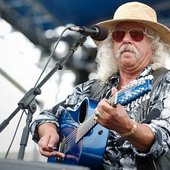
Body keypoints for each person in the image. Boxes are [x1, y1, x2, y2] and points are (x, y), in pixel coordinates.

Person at [30, 2, 170, 170]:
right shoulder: (91, 88)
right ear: (112, 44)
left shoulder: (165, 82)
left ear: (154, 45)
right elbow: (46, 116)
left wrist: (127, 127)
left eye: (136, 34)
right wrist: (48, 132)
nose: (126, 39)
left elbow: (163, 139)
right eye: (118, 35)